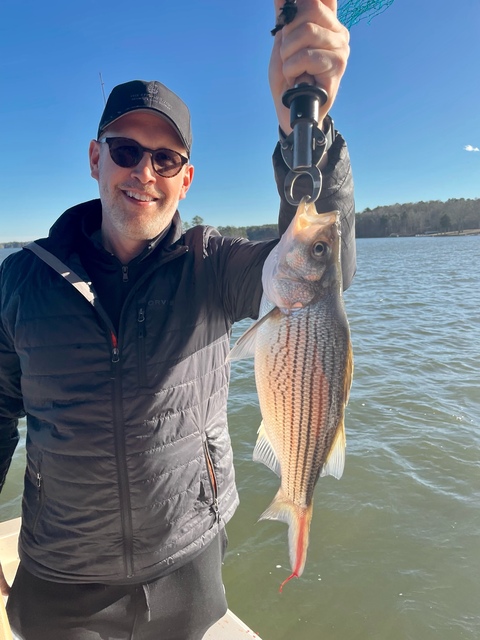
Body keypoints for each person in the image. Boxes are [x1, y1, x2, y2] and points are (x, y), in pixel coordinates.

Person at [0, 0, 355, 638]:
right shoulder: (22, 281)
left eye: (165, 160)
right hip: (61, 573)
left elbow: (319, 277)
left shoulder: (214, 266)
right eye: (127, 150)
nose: (144, 173)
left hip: (185, 564)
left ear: (185, 179)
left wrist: (307, 132)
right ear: (94, 158)